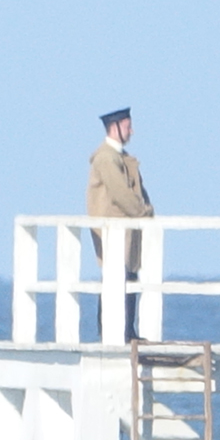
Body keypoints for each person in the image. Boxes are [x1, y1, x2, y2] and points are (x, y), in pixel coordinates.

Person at [85, 107, 151, 341]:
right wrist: (143, 212)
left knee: (129, 278)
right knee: (116, 278)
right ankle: (114, 332)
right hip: (115, 232)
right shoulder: (106, 158)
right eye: (127, 126)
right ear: (114, 127)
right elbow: (121, 193)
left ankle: (127, 331)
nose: (131, 130)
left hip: (127, 231)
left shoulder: (120, 157)